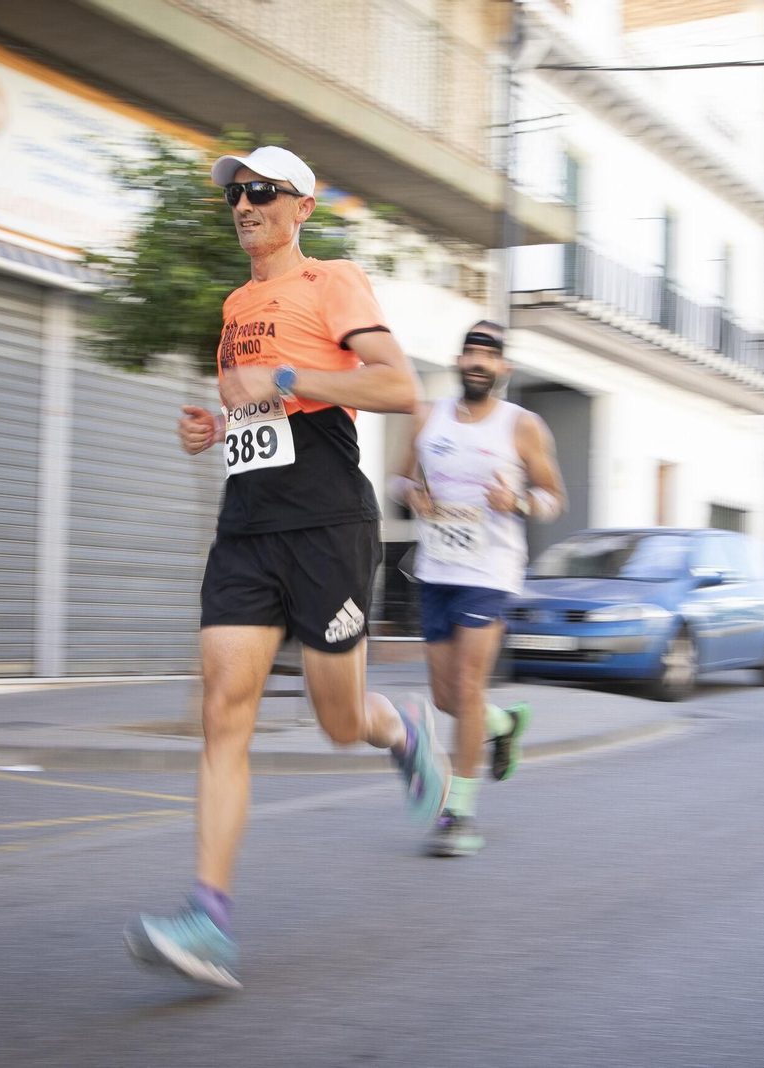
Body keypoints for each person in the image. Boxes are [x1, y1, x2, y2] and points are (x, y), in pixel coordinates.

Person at [124, 146, 448, 988]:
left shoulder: (332, 282)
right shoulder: (235, 303)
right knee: (223, 712)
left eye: (263, 191)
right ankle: (209, 920)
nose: (244, 204)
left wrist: (291, 374)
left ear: (301, 206)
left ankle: (402, 729)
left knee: (340, 722)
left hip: (326, 525)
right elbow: (256, 412)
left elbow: (398, 386)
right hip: (248, 527)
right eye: (236, 193)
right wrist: (213, 430)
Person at [389, 321, 566, 857]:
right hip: (438, 567)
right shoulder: (429, 416)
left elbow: (554, 496)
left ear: (502, 368)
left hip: (490, 573)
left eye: (488, 355)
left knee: (466, 686)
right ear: (460, 361)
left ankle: (458, 812)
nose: (478, 362)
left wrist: (519, 503)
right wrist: (412, 495)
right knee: (448, 698)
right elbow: (397, 481)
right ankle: (502, 723)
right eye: (470, 352)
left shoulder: (523, 426)